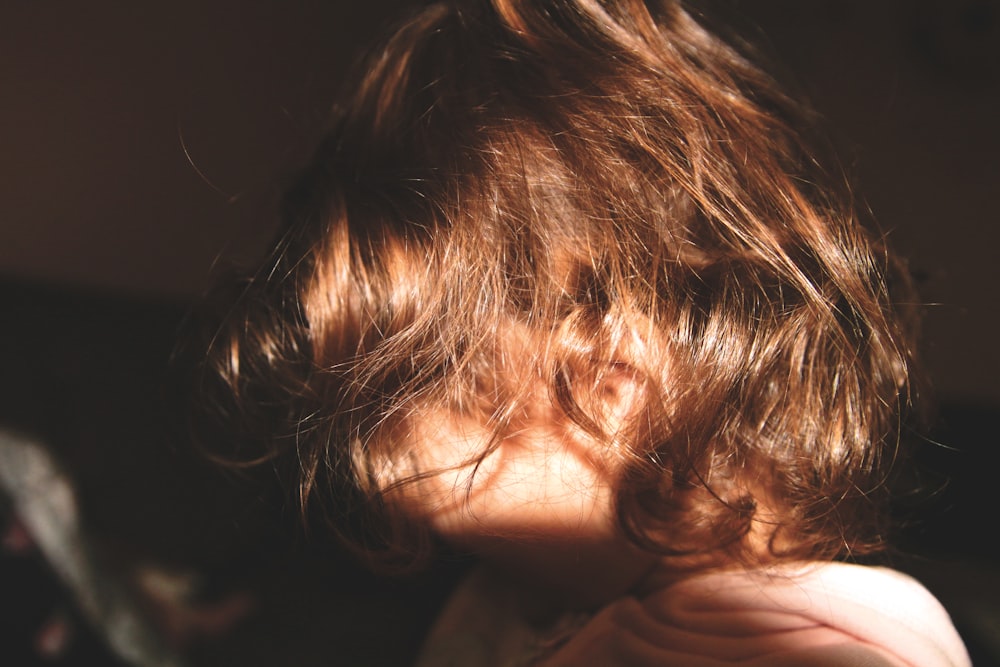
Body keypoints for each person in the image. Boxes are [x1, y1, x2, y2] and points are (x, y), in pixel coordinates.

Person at [199, 0, 971, 664]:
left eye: (481, 536)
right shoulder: (538, 598)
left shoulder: (815, 649)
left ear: (611, 379)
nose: (432, 543)